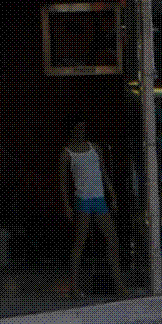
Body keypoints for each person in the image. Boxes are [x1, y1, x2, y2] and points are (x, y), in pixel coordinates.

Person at [60, 119, 127, 298]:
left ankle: (119, 285)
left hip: (99, 198)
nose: (82, 131)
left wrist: (111, 192)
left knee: (112, 239)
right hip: (83, 199)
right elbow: (63, 183)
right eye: (78, 128)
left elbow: (103, 171)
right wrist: (67, 205)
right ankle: (74, 286)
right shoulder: (67, 153)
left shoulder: (94, 147)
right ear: (72, 130)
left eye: (83, 127)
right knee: (80, 242)